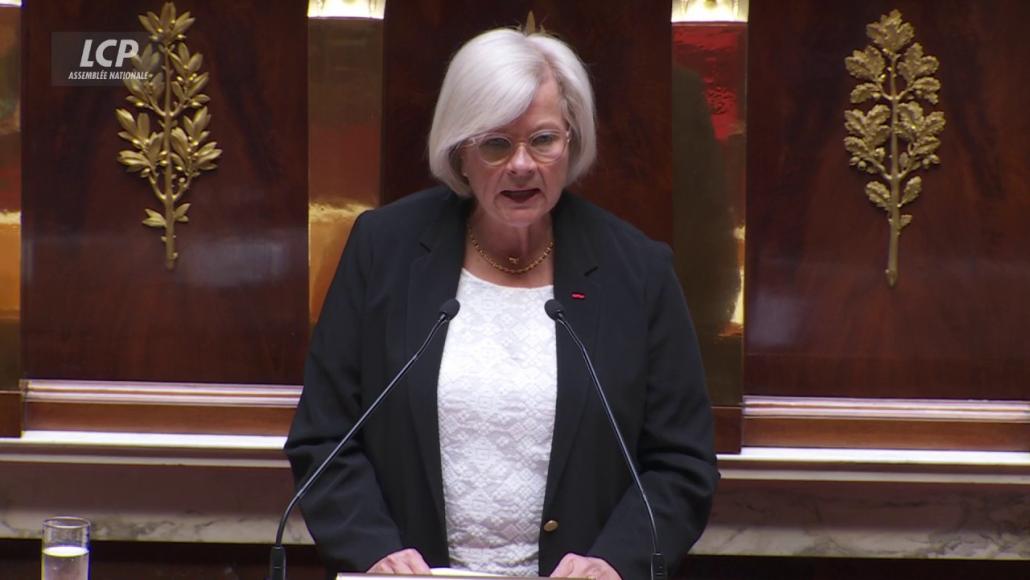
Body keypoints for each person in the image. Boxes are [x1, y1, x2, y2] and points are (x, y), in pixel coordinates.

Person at [285, 27, 719, 579]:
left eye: (542, 140)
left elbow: (682, 463)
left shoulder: (637, 271)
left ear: (572, 142)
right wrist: (372, 550)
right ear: (460, 151)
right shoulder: (384, 250)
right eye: (495, 143)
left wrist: (616, 562)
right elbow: (325, 435)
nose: (521, 165)